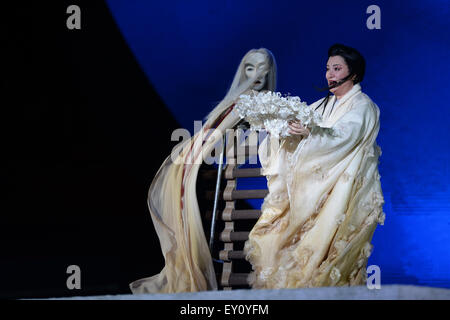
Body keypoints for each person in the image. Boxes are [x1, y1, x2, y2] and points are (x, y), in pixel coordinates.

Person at [129, 48, 277, 293]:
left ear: (270, 71)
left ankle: (190, 272)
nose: (256, 74)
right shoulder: (238, 100)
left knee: (190, 221)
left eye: (262, 68)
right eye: (250, 67)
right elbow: (220, 141)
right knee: (182, 216)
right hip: (193, 161)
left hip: (198, 163)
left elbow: (243, 147)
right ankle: (186, 270)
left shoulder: (261, 103)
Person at [244, 43, 385, 288]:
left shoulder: (363, 106)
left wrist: (312, 132)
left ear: (353, 72)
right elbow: (299, 128)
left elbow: (345, 136)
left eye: (337, 68)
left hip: (338, 188)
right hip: (309, 186)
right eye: (328, 68)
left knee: (325, 250)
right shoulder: (321, 105)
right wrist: (280, 130)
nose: (330, 74)